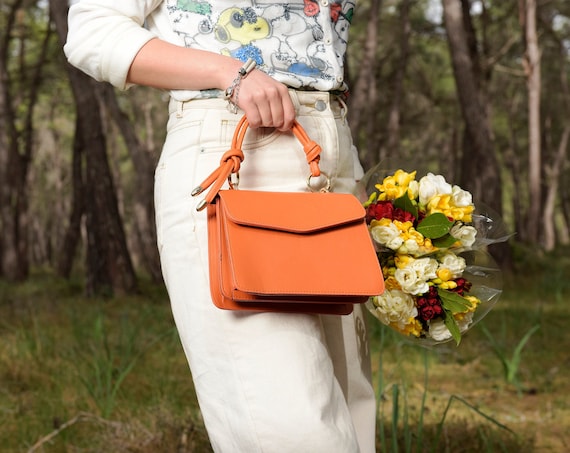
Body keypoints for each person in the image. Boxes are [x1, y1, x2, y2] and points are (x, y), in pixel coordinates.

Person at [65, 1, 376, 451]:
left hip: (331, 158)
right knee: (291, 426)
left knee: (351, 416)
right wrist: (230, 72)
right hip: (236, 155)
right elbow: (92, 29)